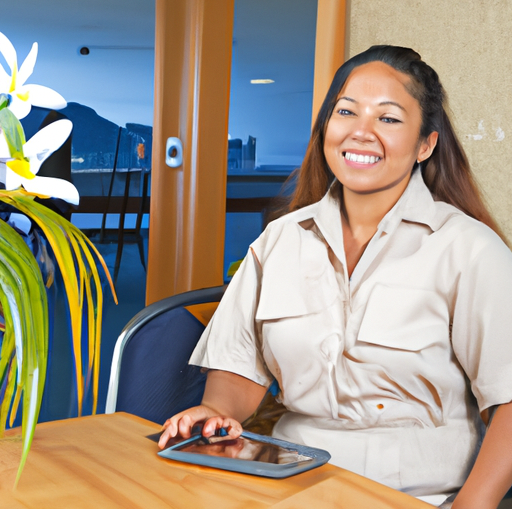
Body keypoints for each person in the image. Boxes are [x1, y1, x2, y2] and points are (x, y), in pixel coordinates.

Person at [159, 45, 512, 508]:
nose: (361, 132)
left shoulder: (469, 249)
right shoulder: (278, 241)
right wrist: (214, 414)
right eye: (346, 111)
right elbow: (236, 379)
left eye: (388, 118)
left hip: (417, 496)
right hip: (286, 486)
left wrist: (473, 505)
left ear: (425, 144)